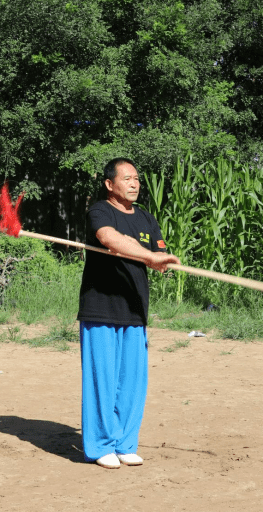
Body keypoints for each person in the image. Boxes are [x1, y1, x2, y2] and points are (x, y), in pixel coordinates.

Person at [77, 157, 181, 469]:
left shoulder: (147, 219)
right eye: (127, 178)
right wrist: (148, 256)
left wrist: (161, 260)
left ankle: (124, 443)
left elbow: (159, 251)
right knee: (102, 380)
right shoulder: (100, 211)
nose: (134, 183)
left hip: (135, 309)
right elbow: (111, 239)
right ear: (110, 184)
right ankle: (100, 446)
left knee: (133, 381)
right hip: (101, 308)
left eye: (136, 178)